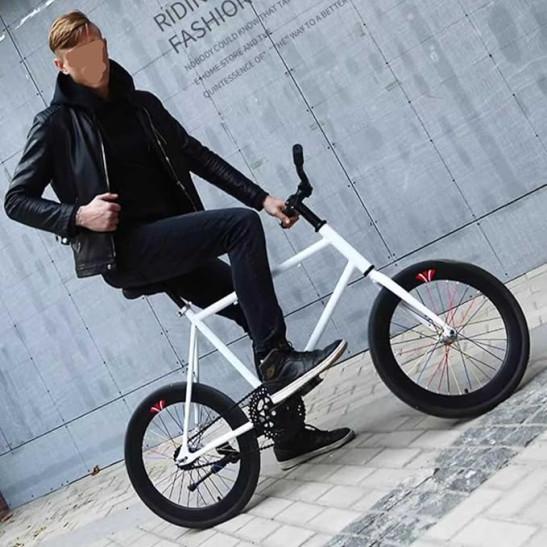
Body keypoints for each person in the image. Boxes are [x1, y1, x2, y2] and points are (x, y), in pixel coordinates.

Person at [3, 10, 355, 469]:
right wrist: (79, 215)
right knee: (240, 227)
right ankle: (276, 362)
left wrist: (263, 198)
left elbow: (196, 156)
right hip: (129, 250)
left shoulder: (142, 105)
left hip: (172, 241)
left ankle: (288, 434)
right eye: (79, 55)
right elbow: (16, 200)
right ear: (62, 66)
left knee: (254, 310)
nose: (92, 59)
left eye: (95, 46)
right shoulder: (55, 125)